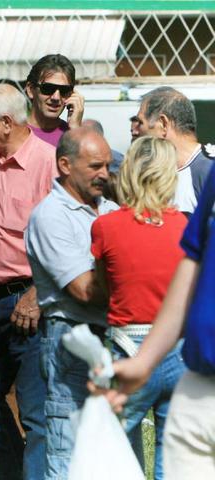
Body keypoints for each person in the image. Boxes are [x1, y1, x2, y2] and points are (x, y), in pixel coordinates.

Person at [0, 83, 57, 480]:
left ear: (6, 122)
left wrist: (37, 293)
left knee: (35, 412)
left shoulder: (48, 163)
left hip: (30, 303)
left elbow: (68, 238)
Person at [99, 161, 215, 480]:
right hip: (196, 375)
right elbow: (191, 265)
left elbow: (99, 286)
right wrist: (145, 359)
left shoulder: (108, 224)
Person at [90, 137, 187, 480]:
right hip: (177, 348)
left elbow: (103, 287)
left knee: (117, 452)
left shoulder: (105, 227)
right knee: (173, 453)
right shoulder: (187, 229)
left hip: (128, 347)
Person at [25, 127, 118, 480]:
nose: (104, 175)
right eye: (95, 166)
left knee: (108, 447)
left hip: (110, 336)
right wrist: (135, 284)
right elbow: (82, 289)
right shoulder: (50, 216)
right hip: (70, 339)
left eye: (107, 166)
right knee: (68, 446)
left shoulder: (109, 208)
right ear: (64, 164)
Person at [131, 86, 213, 214]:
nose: (135, 131)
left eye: (141, 123)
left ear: (163, 124)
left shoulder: (209, 170)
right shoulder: (151, 174)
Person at [25, 54, 85, 146]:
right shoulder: (12, 133)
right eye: (48, 88)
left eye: (64, 90)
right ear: (30, 90)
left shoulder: (74, 135)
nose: (56, 97)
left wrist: (75, 129)